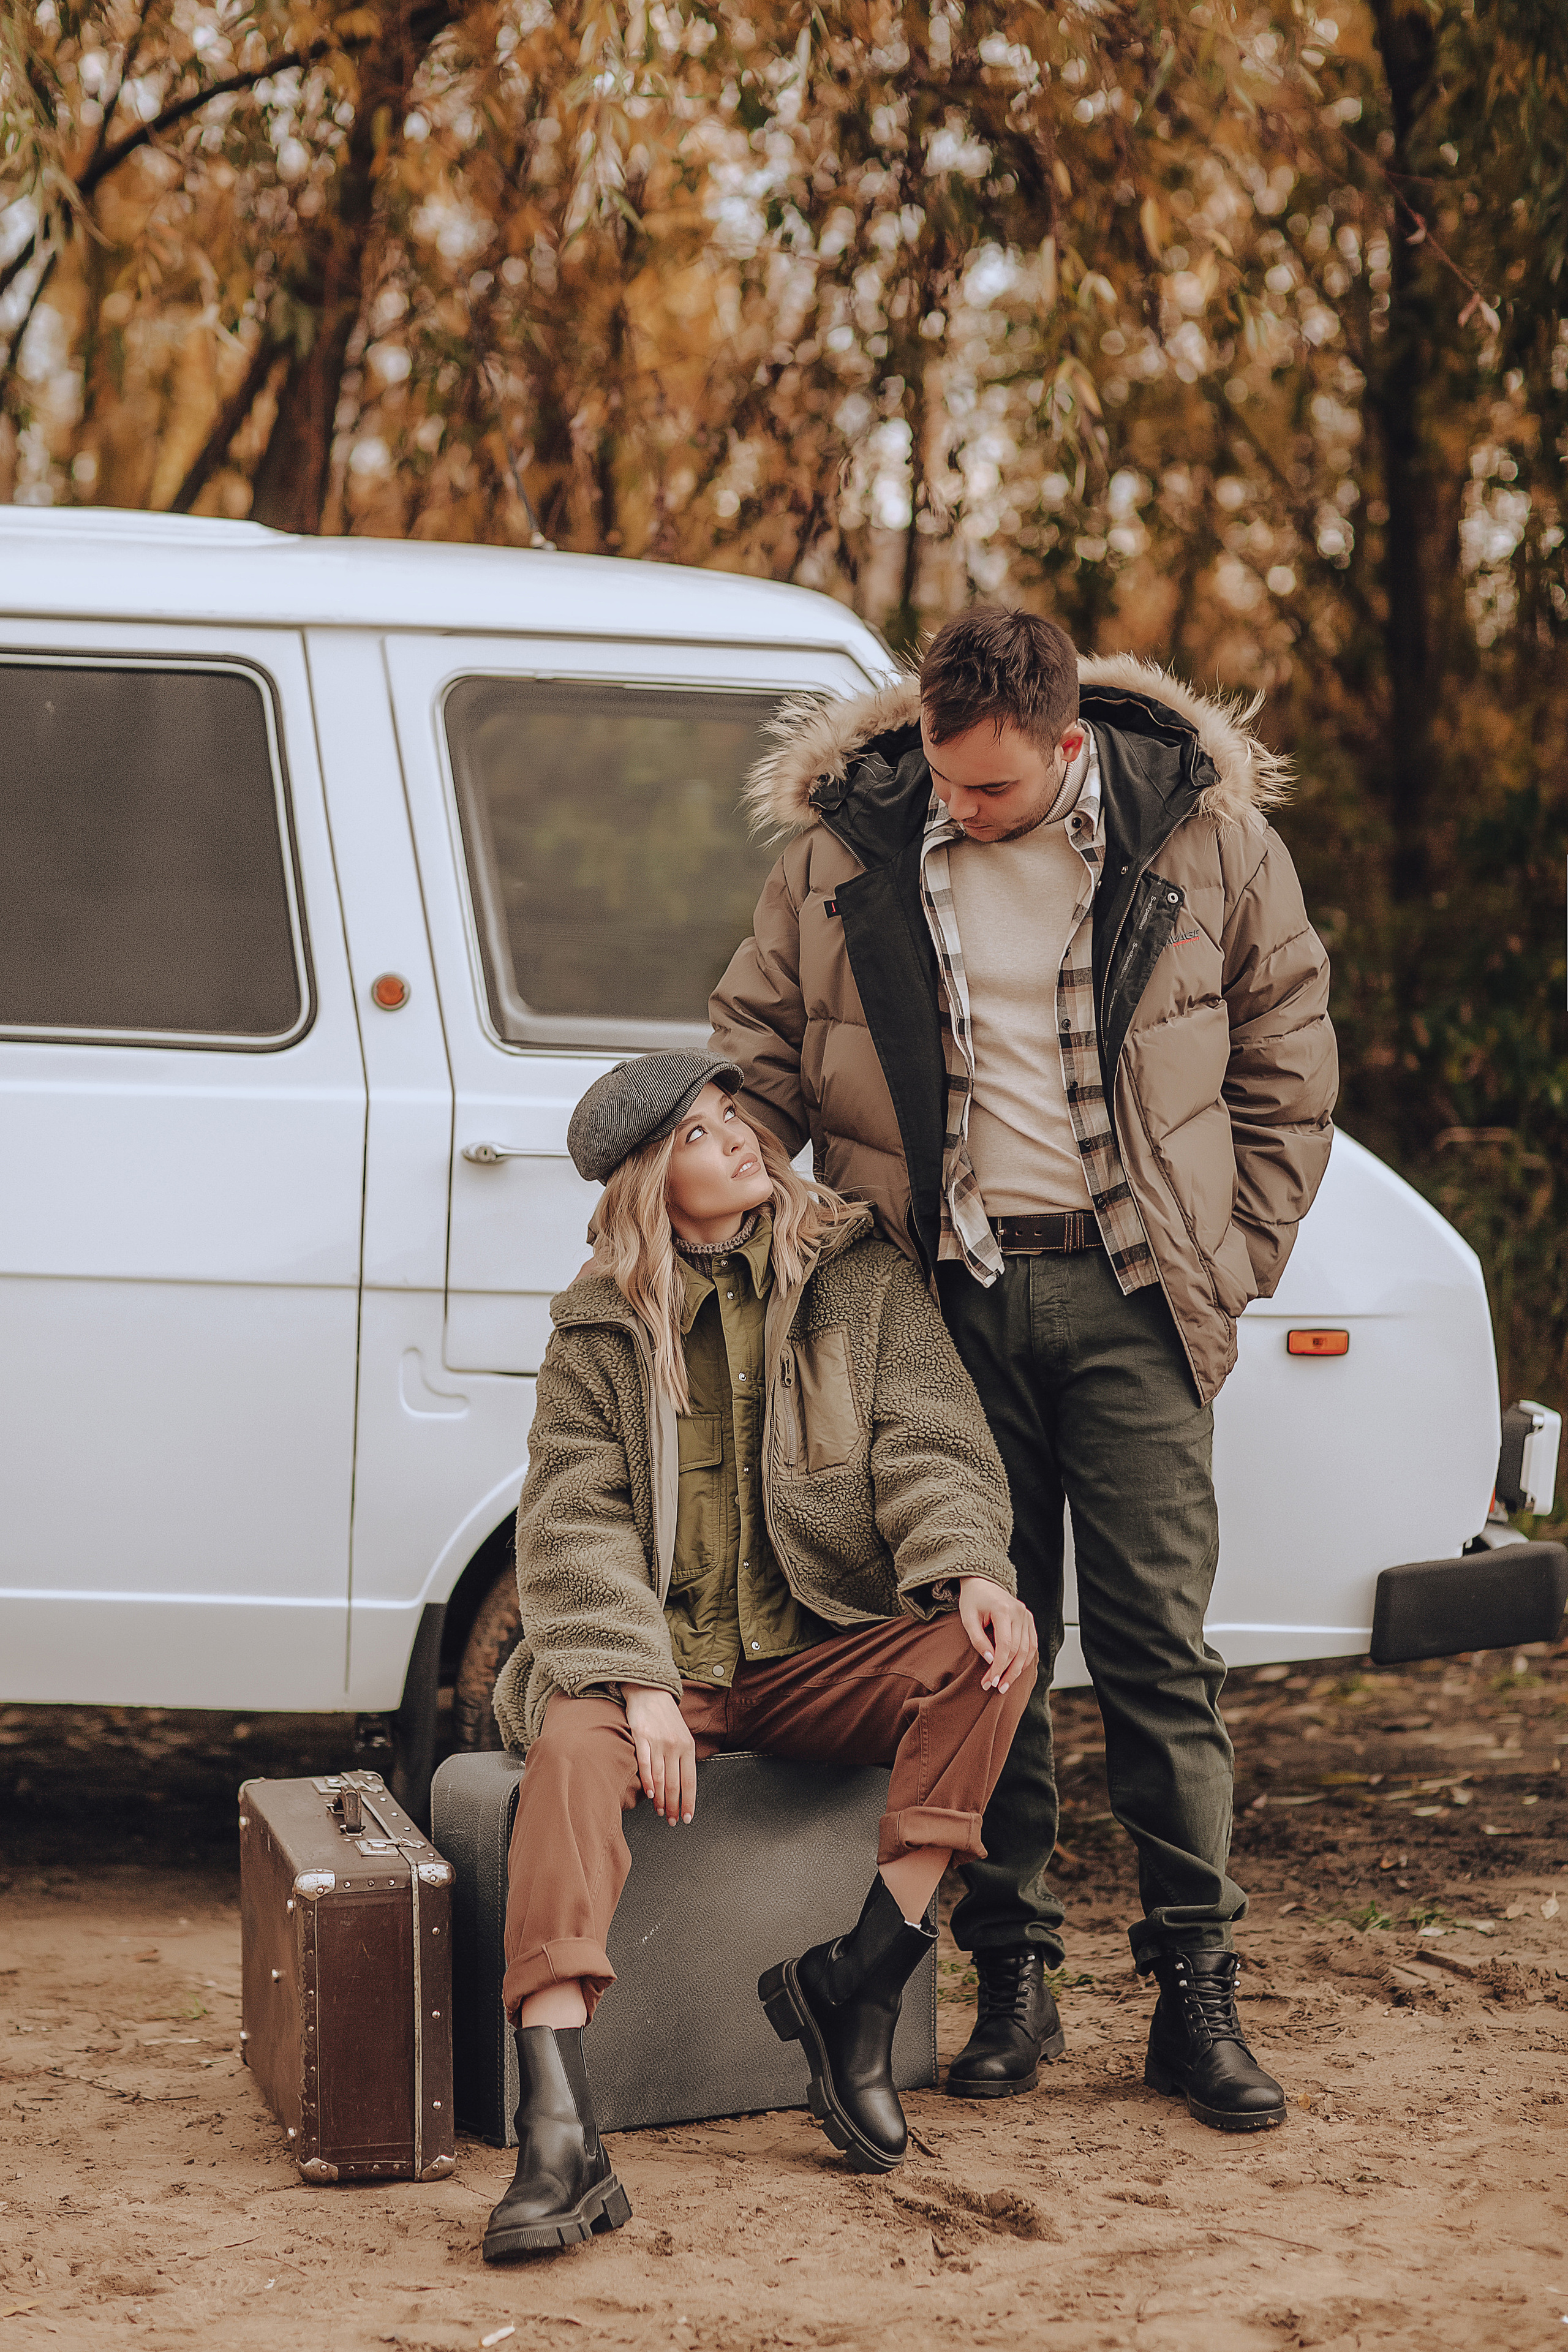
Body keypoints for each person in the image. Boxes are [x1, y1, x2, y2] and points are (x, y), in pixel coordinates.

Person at [709, 607, 1338, 2133]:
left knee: (1155, 1659)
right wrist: (714, 1186)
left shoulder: (1199, 841)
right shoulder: (844, 849)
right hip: (944, 1308)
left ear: (1065, 745)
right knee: (990, 1649)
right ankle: (1013, 1978)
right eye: (941, 769)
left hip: (1134, 1304)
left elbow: (1286, 1058)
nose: (959, 806)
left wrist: (1232, 1260)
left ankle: (1195, 1998)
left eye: (990, 788)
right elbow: (761, 1051)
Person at [482, 1049, 1038, 2261]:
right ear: (644, 1180)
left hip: (808, 1648)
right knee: (568, 1767)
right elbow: (569, 1524)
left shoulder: (854, 1277)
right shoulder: (599, 1331)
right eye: (695, 1134)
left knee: (988, 1656)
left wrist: (970, 1573)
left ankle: (858, 1981)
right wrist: (640, 1684)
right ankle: (559, 2134)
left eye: (731, 1116)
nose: (736, 1139)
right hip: (651, 1665)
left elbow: (928, 1438)